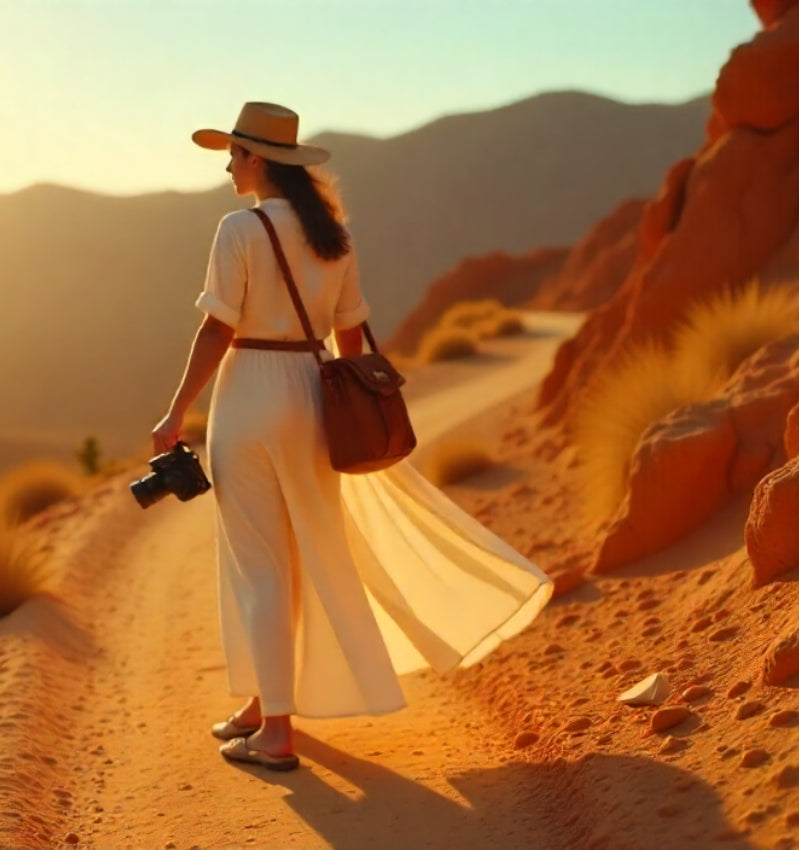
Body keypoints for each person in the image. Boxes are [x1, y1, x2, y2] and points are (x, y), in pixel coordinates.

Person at [152, 102, 552, 772]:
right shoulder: (332, 236)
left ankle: (276, 731)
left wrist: (174, 413)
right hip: (312, 391)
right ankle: (261, 705)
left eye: (234, 154)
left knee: (258, 567)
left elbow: (218, 329)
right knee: (302, 554)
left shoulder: (237, 230)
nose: (227, 164)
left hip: (248, 392)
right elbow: (349, 332)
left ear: (257, 160)